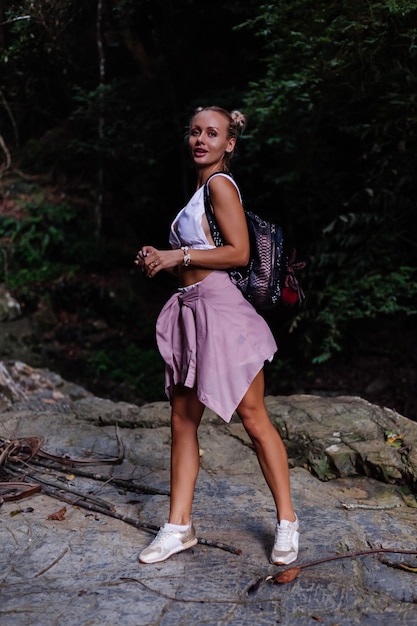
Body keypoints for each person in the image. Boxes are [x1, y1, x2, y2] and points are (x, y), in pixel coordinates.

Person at [134, 105, 298, 566]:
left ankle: (287, 522)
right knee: (183, 420)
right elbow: (198, 250)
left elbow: (240, 252)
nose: (200, 140)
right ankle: (178, 527)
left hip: (222, 314)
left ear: (229, 144)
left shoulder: (221, 185)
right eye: (194, 132)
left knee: (253, 418)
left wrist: (176, 257)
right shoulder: (201, 191)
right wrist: (160, 257)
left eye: (212, 133)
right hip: (193, 312)